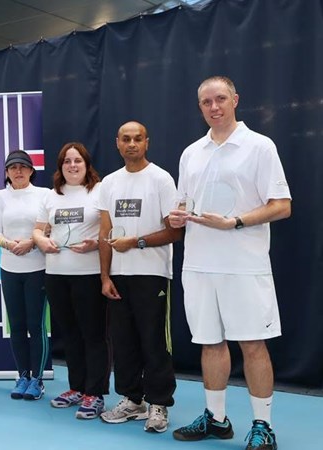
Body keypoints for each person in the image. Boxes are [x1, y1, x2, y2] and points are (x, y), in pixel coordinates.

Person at [169, 76, 291, 450]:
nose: (214, 107)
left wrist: (234, 222)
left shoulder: (259, 146)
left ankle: (263, 424)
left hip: (244, 264)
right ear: (200, 107)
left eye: (221, 99)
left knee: (253, 345)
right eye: (206, 102)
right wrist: (177, 217)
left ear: (235, 99)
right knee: (210, 344)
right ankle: (217, 419)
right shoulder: (192, 152)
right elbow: (184, 205)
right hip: (199, 265)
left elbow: (282, 206)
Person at [96, 121, 182, 433]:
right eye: (126, 139)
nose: (132, 144)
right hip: (119, 276)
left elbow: (175, 231)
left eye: (138, 138)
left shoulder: (160, 179)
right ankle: (134, 400)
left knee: (154, 340)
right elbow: (104, 232)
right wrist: (105, 277)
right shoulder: (109, 183)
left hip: (152, 274)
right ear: (117, 143)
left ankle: (159, 403)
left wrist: (137, 242)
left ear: (147, 142)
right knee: (124, 341)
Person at [32, 142, 110, 418]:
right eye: (67, 161)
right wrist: (42, 241)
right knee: (70, 335)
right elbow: (39, 230)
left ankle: (95, 392)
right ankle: (77, 387)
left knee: (93, 335)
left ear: (87, 165)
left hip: (88, 275)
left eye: (78, 161)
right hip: (56, 275)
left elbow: (107, 230)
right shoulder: (52, 196)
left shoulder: (99, 192)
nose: (72, 165)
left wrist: (95, 243)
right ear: (60, 166)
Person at [0, 150, 49, 401]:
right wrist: (7, 244)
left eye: (23, 167)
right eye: (13, 167)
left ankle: (37, 379)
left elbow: (48, 228)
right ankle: (23, 375)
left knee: (36, 326)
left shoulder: (44, 195)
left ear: (31, 170)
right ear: (6, 172)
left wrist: (31, 243)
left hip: (38, 269)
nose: (18, 171)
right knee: (17, 326)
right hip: (9, 269)